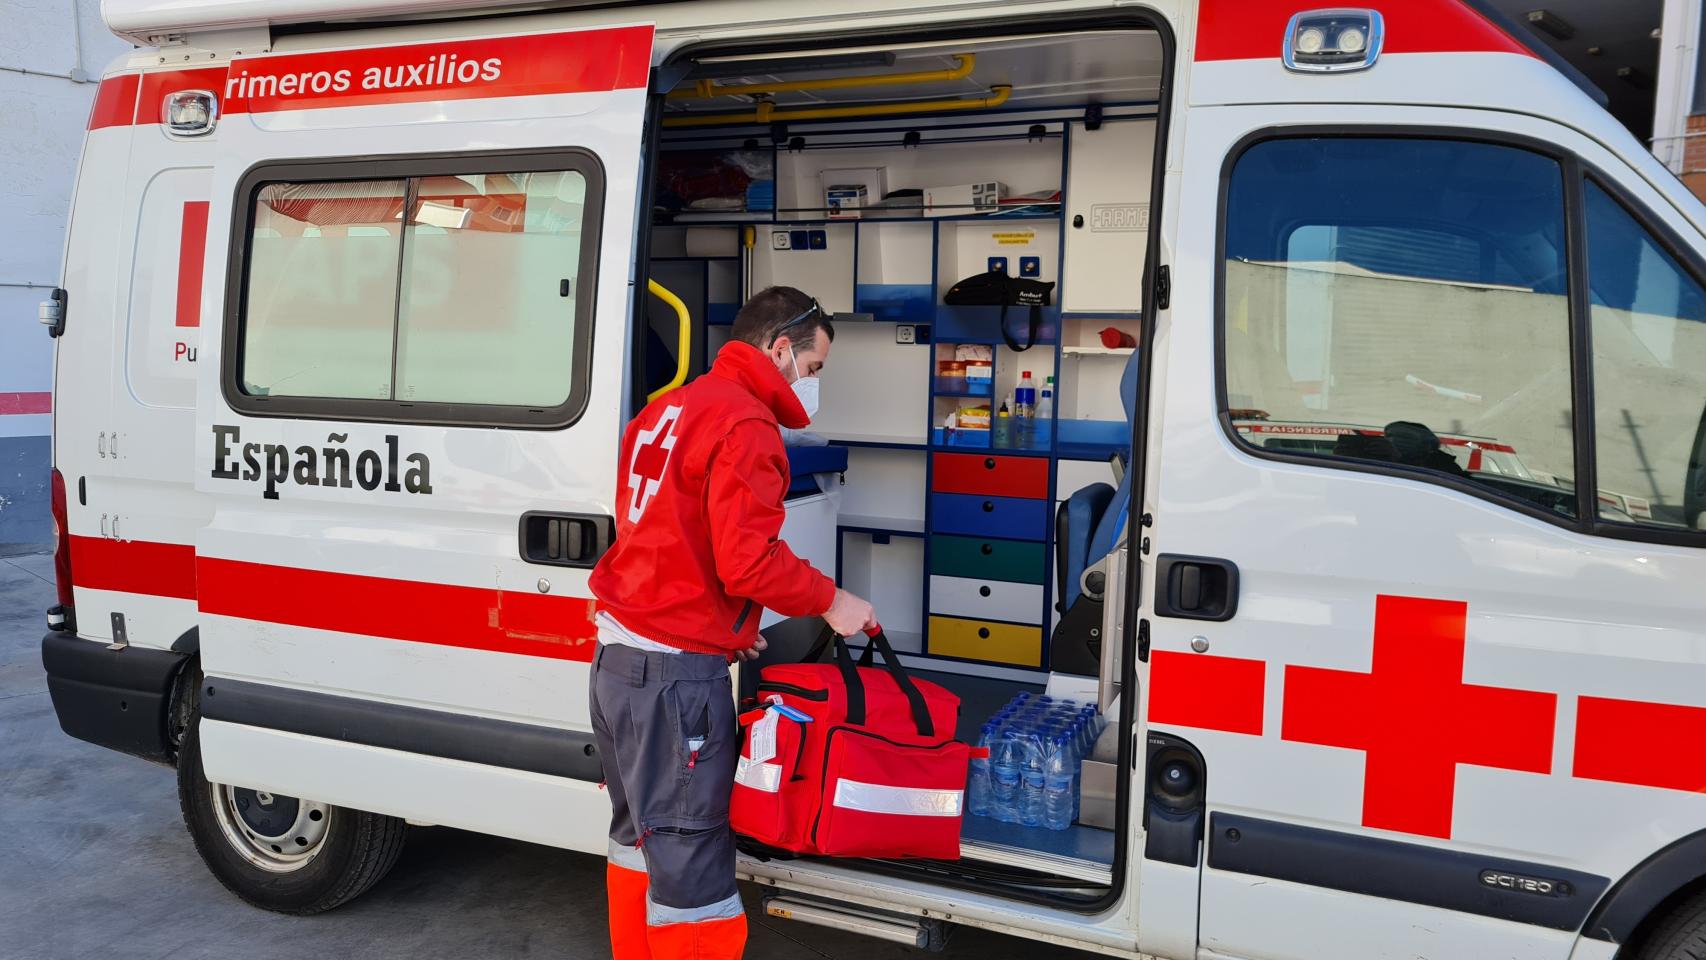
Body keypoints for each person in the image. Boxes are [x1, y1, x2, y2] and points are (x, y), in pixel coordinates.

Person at [587, 285, 877, 959]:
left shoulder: (670, 408)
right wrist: (833, 600)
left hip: (618, 667)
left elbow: (660, 539)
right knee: (692, 869)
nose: (811, 386)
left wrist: (727, 625)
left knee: (640, 841)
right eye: (813, 369)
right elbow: (749, 563)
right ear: (780, 349)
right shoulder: (745, 424)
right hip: (672, 686)